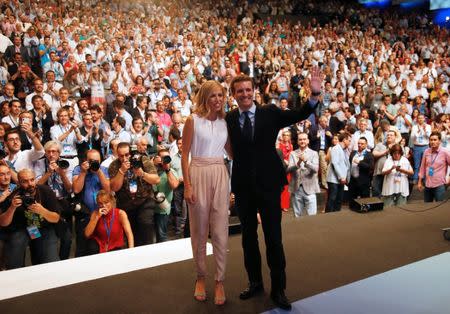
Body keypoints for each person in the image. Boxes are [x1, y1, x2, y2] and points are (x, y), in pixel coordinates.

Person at [225, 68, 322, 311]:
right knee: (248, 239)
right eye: (240, 91)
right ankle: (255, 282)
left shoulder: (270, 112)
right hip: (244, 189)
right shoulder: (228, 118)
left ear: (254, 92)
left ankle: (279, 290)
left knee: (274, 239)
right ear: (233, 95)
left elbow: (300, 113)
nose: (245, 94)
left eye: (248, 90)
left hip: (269, 186)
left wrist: (315, 93)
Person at [182, 80, 231, 305]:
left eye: (220, 95)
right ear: (204, 97)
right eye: (213, 96)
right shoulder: (193, 120)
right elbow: (184, 156)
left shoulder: (225, 122)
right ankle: (200, 276)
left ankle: (219, 280)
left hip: (220, 172)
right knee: (199, 231)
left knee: (220, 231)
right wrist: (188, 185)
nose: (218, 100)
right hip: (198, 172)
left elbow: (233, 151)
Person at [0, 169, 61, 269]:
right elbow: (3, 223)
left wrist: (43, 211)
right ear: (19, 183)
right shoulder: (14, 196)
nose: (30, 184)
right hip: (24, 228)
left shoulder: (45, 191)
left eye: (32, 180)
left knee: (50, 261)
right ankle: (17, 275)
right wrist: (12, 208)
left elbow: (56, 218)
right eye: (25, 181)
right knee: (15, 253)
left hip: (43, 227)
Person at [108, 142, 160, 246]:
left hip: (145, 200)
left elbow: (156, 180)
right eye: (121, 156)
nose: (124, 158)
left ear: (130, 153)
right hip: (126, 204)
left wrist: (142, 174)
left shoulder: (142, 160)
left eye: (127, 155)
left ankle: (149, 251)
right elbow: (114, 187)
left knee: (145, 223)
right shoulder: (114, 165)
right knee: (132, 233)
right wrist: (121, 171)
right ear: (117, 155)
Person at [287, 132, 320, 217]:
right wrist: (298, 163)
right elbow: (288, 170)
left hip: (310, 189)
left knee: (312, 216)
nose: (302, 141)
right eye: (300, 139)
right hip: (296, 188)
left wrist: (306, 161)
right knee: (297, 216)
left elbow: (315, 169)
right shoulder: (292, 153)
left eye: (304, 139)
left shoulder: (314, 153)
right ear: (297, 141)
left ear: (308, 141)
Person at [153, 149, 179, 243]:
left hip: (162, 209)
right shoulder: (151, 168)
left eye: (167, 157)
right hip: (148, 208)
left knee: (161, 235)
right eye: (162, 157)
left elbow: (174, 185)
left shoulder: (171, 171)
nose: (164, 159)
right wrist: (153, 164)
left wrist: (167, 170)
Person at [418, 132, 450, 202]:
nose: (432, 142)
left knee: (439, 208)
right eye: (431, 140)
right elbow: (422, 167)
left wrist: (449, 177)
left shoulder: (445, 152)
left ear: (439, 141)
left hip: (439, 184)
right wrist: (419, 181)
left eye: (435, 140)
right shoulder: (426, 151)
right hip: (427, 184)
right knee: (427, 208)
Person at [325, 132, 351, 213]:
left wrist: (346, 178)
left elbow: (346, 165)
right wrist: (341, 177)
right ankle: (328, 217)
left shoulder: (344, 150)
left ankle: (336, 217)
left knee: (339, 199)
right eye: (349, 140)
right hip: (334, 179)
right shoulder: (336, 148)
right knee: (332, 199)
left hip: (341, 180)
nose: (350, 142)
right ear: (344, 140)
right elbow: (334, 163)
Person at [348, 137, 374, 205]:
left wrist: (359, 163)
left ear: (366, 144)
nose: (360, 145)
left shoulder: (369, 155)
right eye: (359, 143)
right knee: (352, 201)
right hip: (353, 181)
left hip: (363, 182)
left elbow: (371, 167)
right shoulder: (353, 153)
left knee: (364, 201)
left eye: (362, 144)